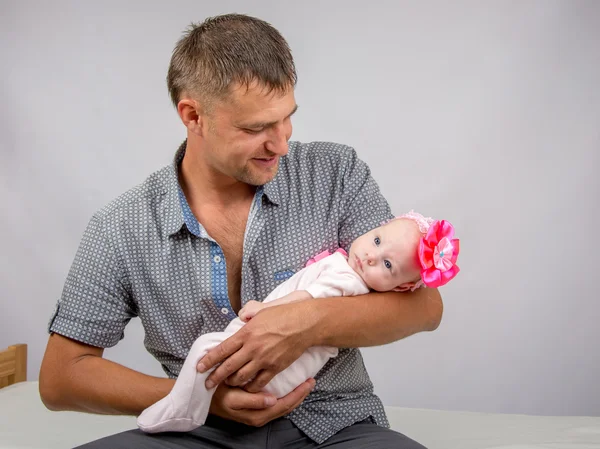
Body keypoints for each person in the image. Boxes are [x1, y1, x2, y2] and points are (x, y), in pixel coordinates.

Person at [39, 13, 443, 448]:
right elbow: (62, 377)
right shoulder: (121, 227)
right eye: (256, 128)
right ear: (193, 116)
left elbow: (424, 307)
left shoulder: (336, 173)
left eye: (286, 117)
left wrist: (305, 322)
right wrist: (200, 400)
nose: (282, 144)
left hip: (335, 427)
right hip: (196, 429)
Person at [137, 211, 459, 433]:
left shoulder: (349, 281)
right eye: (376, 240)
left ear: (401, 287)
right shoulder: (346, 266)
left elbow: (304, 303)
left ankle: (183, 412)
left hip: (280, 370)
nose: (372, 256)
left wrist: (264, 308)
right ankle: (189, 406)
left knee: (205, 351)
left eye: (387, 264)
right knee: (214, 364)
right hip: (282, 372)